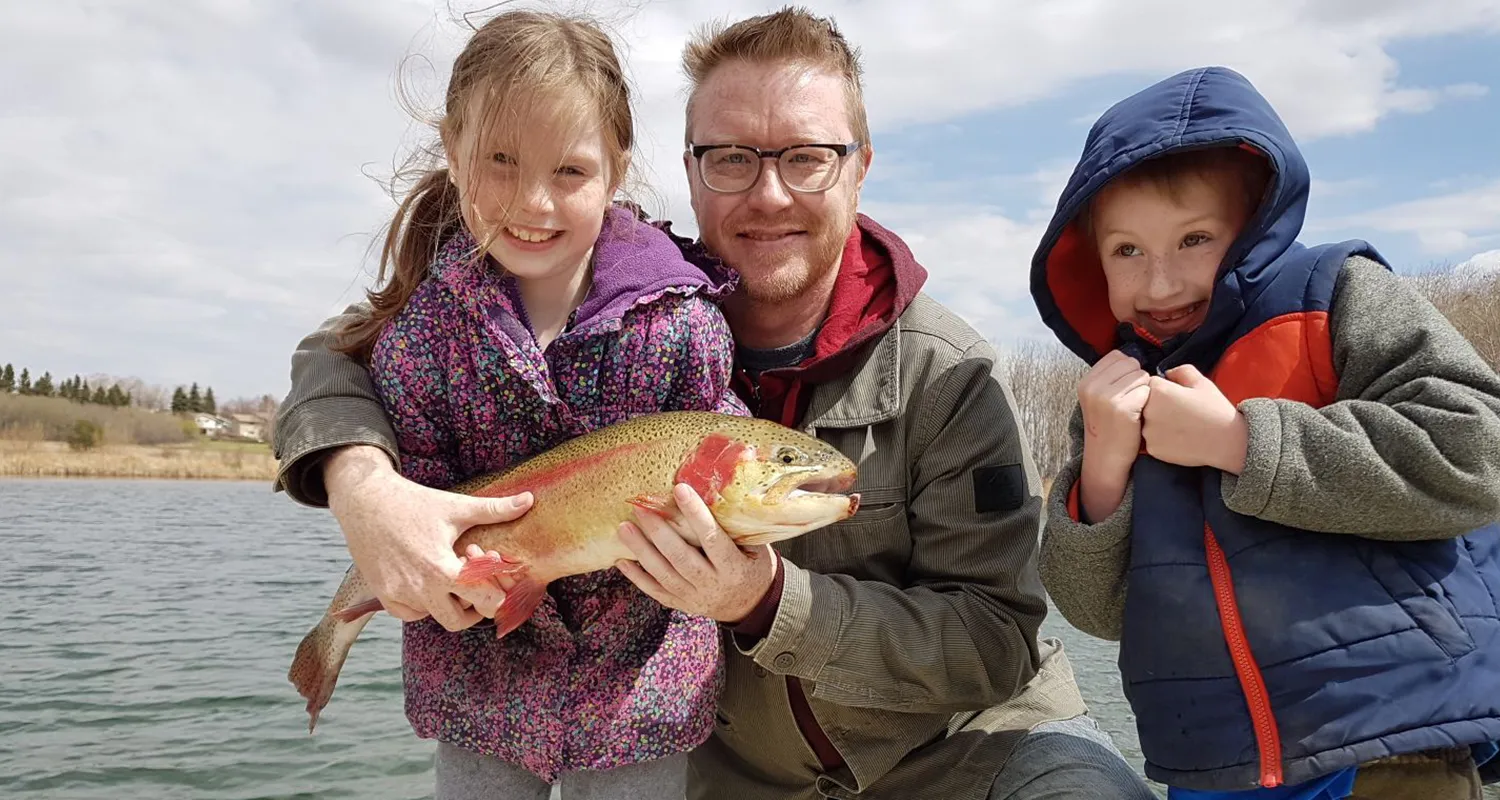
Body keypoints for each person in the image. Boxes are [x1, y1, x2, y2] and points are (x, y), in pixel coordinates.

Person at [276, 7, 1154, 800]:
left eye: (808, 157)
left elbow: (998, 642)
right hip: (741, 777)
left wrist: (771, 600)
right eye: (732, 157)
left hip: (965, 756)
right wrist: (361, 482)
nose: (768, 193)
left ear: (861, 168)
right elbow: (343, 351)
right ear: (686, 171)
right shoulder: (636, 297)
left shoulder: (950, 374)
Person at [288, 9, 753, 799]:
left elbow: (713, 436)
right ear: (452, 152)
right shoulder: (419, 340)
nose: (534, 202)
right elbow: (418, 498)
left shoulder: (684, 327)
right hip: (479, 690)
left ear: (616, 167)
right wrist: (438, 578)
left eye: (569, 172)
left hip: (639, 696)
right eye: (501, 161)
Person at [1031, 65, 1500, 799]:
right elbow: (1097, 614)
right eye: (1127, 251)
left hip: (1391, 743)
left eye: (1194, 239)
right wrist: (1101, 481)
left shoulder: (1336, 296)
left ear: (1254, 227)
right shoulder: (1111, 391)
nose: (1159, 284)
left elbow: (1480, 454)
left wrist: (1242, 445)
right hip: (1213, 764)